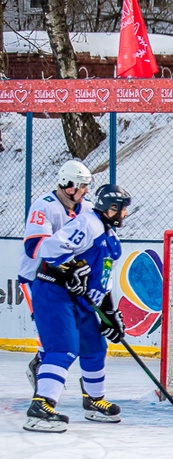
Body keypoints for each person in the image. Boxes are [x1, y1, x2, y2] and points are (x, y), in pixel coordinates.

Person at [24, 184, 132, 433]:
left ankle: (94, 401)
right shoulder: (88, 224)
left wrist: (109, 314)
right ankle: (41, 405)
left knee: (95, 348)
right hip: (54, 293)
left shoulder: (111, 240)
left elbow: (103, 280)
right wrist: (69, 267)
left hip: (80, 300)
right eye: (123, 209)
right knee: (63, 349)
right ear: (111, 208)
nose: (125, 214)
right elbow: (51, 249)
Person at [18, 159, 94, 392]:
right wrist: (66, 262)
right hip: (36, 280)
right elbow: (34, 246)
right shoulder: (44, 206)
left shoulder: (88, 208)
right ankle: (42, 368)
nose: (86, 191)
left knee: (84, 330)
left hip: (67, 281)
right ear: (68, 185)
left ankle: (91, 385)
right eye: (82, 185)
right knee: (48, 332)